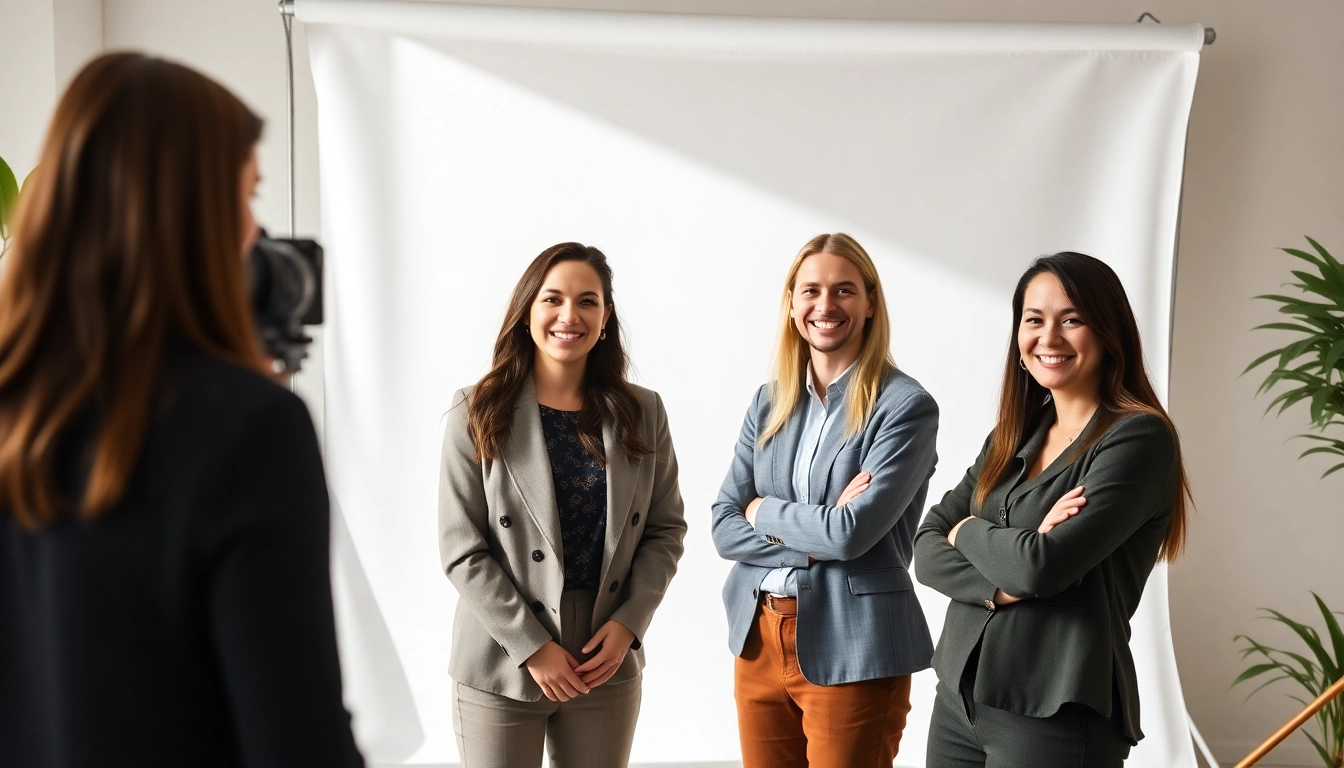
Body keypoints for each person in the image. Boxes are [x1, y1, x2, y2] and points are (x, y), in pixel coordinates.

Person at [0, 53, 364, 767]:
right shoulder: (251, 432)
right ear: (188, 210)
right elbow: (297, 743)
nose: (257, 233)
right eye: (248, 194)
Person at [914, 252, 1192, 767]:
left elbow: (1042, 567)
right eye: (1034, 320)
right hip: (959, 697)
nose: (1049, 337)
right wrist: (1004, 583)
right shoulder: (1013, 433)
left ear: (1108, 331)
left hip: (1053, 710)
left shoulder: (1137, 437)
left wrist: (970, 529)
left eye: (1072, 319)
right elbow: (925, 546)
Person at [438, 242, 686, 768]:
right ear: (527, 309)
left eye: (587, 301)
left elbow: (666, 530)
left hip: (605, 648)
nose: (569, 316)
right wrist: (531, 646)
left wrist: (629, 624)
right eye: (552, 299)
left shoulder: (643, 410)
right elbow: (462, 549)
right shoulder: (475, 409)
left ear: (606, 316)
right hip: (502, 650)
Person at [711, 233, 939, 768]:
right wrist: (821, 528)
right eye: (810, 290)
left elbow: (852, 533)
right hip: (758, 635)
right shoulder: (769, 401)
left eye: (844, 290)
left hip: (854, 642)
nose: (826, 305)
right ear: (792, 305)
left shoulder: (905, 407)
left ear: (869, 302)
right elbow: (723, 526)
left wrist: (762, 511)